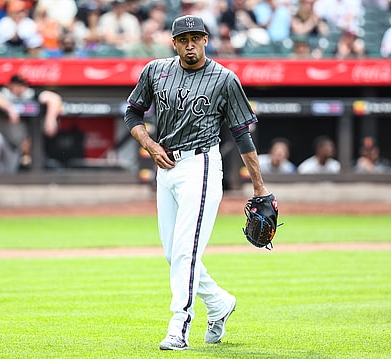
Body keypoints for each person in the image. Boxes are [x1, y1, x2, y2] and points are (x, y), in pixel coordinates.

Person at [123, 15, 275, 351]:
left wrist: (259, 187)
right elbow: (132, 113)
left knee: (185, 252)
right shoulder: (155, 71)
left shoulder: (224, 79)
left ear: (206, 39)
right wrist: (149, 144)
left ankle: (179, 325)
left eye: (196, 38)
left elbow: (241, 135)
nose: (190, 45)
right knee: (173, 254)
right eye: (184, 39)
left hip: (201, 164)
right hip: (166, 166)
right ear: (174, 43)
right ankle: (219, 302)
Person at [0, 74, 62, 174]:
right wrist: (9, 108)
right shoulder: (4, 94)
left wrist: (50, 118)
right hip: (1, 139)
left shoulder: (29, 95)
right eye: (17, 85)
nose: (20, 88)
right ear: (11, 85)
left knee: (9, 173)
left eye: (23, 85)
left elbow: (54, 98)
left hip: (15, 145)